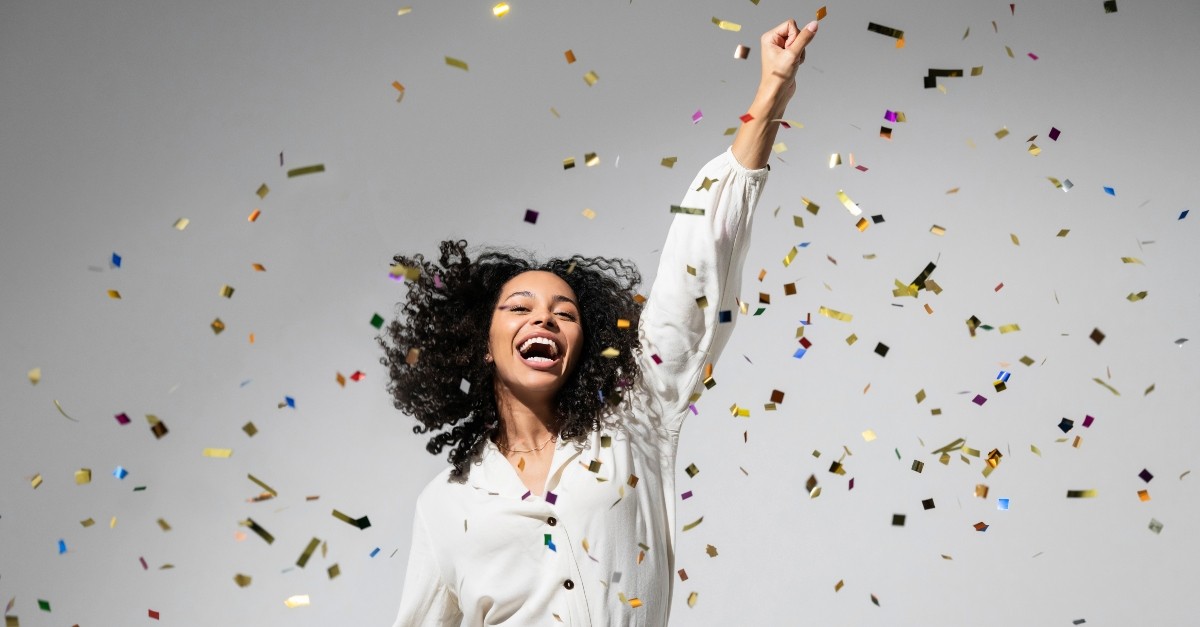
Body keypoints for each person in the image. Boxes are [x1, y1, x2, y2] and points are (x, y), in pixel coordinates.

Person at [381, 18, 818, 626]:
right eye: (520, 308)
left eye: (565, 313)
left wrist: (771, 91)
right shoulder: (444, 504)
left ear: (584, 341)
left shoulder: (634, 421)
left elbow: (696, 267)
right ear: (480, 344)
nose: (546, 320)